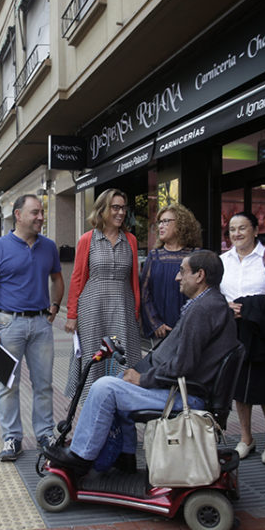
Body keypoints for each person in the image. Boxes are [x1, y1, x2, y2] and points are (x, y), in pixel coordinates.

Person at [44, 250, 239, 472]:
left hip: (187, 397)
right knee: (119, 379)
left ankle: (81, 455)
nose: (177, 277)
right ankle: (125, 455)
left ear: (200, 275)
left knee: (104, 388)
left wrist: (143, 379)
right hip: (188, 390)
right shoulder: (211, 304)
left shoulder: (203, 310)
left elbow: (182, 366)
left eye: (182, 271)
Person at [0, 194, 64, 462]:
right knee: (8, 384)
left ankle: (45, 434)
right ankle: (12, 438)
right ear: (18, 215)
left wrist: (55, 305)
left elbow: (57, 279)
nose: (40, 217)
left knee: (44, 384)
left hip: (41, 324)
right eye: (35, 212)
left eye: (42, 212)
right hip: (8, 324)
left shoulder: (48, 247)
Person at [219, 211, 265, 465]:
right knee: (239, 386)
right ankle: (246, 437)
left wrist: (249, 307)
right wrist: (228, 306)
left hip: (264, 328)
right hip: (234, 329)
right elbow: (215, 292)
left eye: (242, 228)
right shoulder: (223, 260)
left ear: (256, 230)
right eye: (232, 229)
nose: (236, 234)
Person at [65, 188, 141, 402]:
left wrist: (136, 311)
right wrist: (72, 315)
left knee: (122, 357)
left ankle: (121, 408)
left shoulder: (131, 240)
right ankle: (91, 407)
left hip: (123, 308)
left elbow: (134, 280)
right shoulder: (87, 239)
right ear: (102, 209)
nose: (121, 213)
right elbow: (77, 278)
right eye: (115, 207)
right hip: (92, 309)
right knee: (94, 357)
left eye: (123, 208)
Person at [139, 203, 202, 341]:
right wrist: (155, 323)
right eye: (160, 222)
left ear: (181, 224)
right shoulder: (154, 256)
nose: (161, 226)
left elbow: (203, 293)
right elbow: (144, 293)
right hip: (161, 331)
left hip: (190, 330)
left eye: (166, 221)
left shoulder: (196, 255)